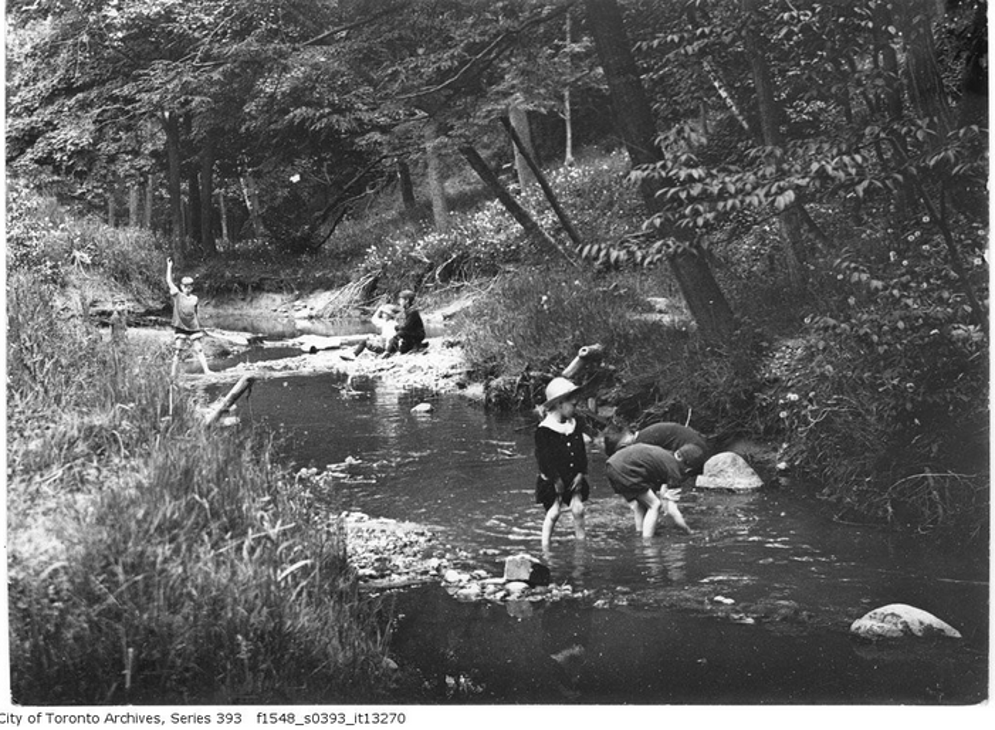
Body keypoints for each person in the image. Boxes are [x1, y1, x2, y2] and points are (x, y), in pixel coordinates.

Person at [534, 377, 590, 547]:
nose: (575, 408)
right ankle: (545, 546)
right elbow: (544, 459)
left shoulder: (574, 424)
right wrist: (555, 479)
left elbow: (580, 451)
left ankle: (581, 543)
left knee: (578, 509)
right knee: (554, 512)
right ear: (559, 404)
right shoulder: (545, 430)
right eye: (572, 405)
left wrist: (581, 473)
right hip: (554, 479)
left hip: (573, 476)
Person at [604, 442, 701, 537]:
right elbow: (672, 511)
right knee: (655, 505)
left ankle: (639, 532)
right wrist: (688, 530)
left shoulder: (664, 457)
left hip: (613, 464)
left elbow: (663, 491)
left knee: (642, 503)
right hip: (626, 469)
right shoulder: (674, 471)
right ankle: (647, 543)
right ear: (688, 469)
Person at [603, 421, 711, 474]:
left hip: (693, 454)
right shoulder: (645, 435)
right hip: (697, 452)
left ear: (623, 447)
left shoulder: (641, 443)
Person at [166, 258, 211, 377]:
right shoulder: (177, 295)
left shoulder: (195, 298)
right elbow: (169, 282)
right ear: (181, 286)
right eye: (186, 286)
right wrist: (169, 266)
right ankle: (172, 374)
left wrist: (199, 326)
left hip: (193, 327)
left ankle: (207, 370)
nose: (188, 288)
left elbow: (195, 313)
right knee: (178, 350)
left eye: (190, 286)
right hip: (181, 326)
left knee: (199, 349)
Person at [382, 289, 425, 358]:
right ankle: (415, 346)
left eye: (401, 300)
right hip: (411, 333)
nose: (399, 301)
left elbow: (406, 326)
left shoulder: (413, 312)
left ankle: (387, 351)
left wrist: (397, 327)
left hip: (418, 334)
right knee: (403, 350)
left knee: (399, 333)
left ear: (407, 300)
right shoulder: (407, 311)